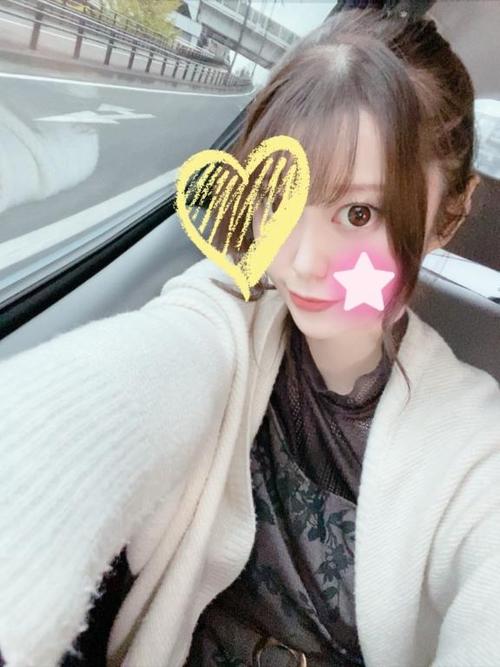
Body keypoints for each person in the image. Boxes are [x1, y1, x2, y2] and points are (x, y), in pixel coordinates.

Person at [0, 7, 499, 667]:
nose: (302, 259)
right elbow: (101, 397)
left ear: (449, 215)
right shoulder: (224, 315)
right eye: (280, 197)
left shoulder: (476, 446)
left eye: (359, 212)